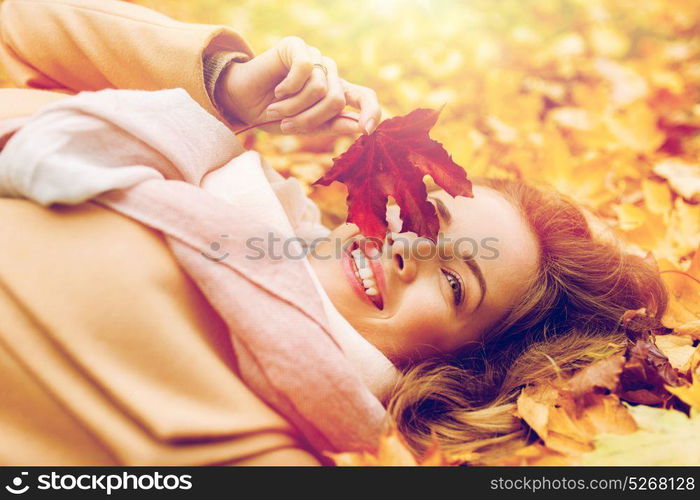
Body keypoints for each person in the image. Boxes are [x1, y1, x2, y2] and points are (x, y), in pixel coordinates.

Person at [0, 0, 668, 465]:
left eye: (457, 280)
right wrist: (225, 87)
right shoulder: (202, 164)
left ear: (461, 369)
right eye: (426, 216)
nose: (407, 250)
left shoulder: (260, 442)